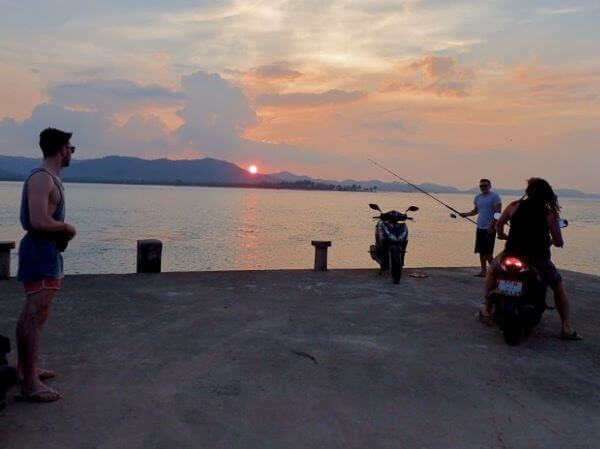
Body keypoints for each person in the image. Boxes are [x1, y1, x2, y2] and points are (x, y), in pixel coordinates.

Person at [15, 128, 77, 402]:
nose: (71, 153)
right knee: (34, 315)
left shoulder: (49, 179)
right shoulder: (42, 180)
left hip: (47, 251)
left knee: (37, 315)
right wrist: (67, 227)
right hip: (40, 251)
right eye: (71, 148)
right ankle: (29, 382)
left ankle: (27, 369)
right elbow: (38, 220)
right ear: (62, 149)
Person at [482, 178, 581, 340]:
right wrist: (553, 242)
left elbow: (498, 225)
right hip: (538, 259)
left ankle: (486, 307)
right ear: (546, 194)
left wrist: (501, 235)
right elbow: (558, 241)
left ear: (528, 192)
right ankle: (566, 327)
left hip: (511, 254)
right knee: (557, 285)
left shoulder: (514, 206)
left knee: (492, 269)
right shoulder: (550, 214)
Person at [460, 179, 502, 276]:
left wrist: (492, 226)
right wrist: (466, 214)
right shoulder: (477, 197)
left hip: (490, 228)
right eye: (481, 186)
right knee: (481, 252)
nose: (483, 187)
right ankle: (483, 271)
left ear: (490, 186)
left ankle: (494, 272)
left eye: (485, 185)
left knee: (488, 253)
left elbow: (498, 213)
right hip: (480, 227)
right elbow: (476, 211)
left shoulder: (495, 197)